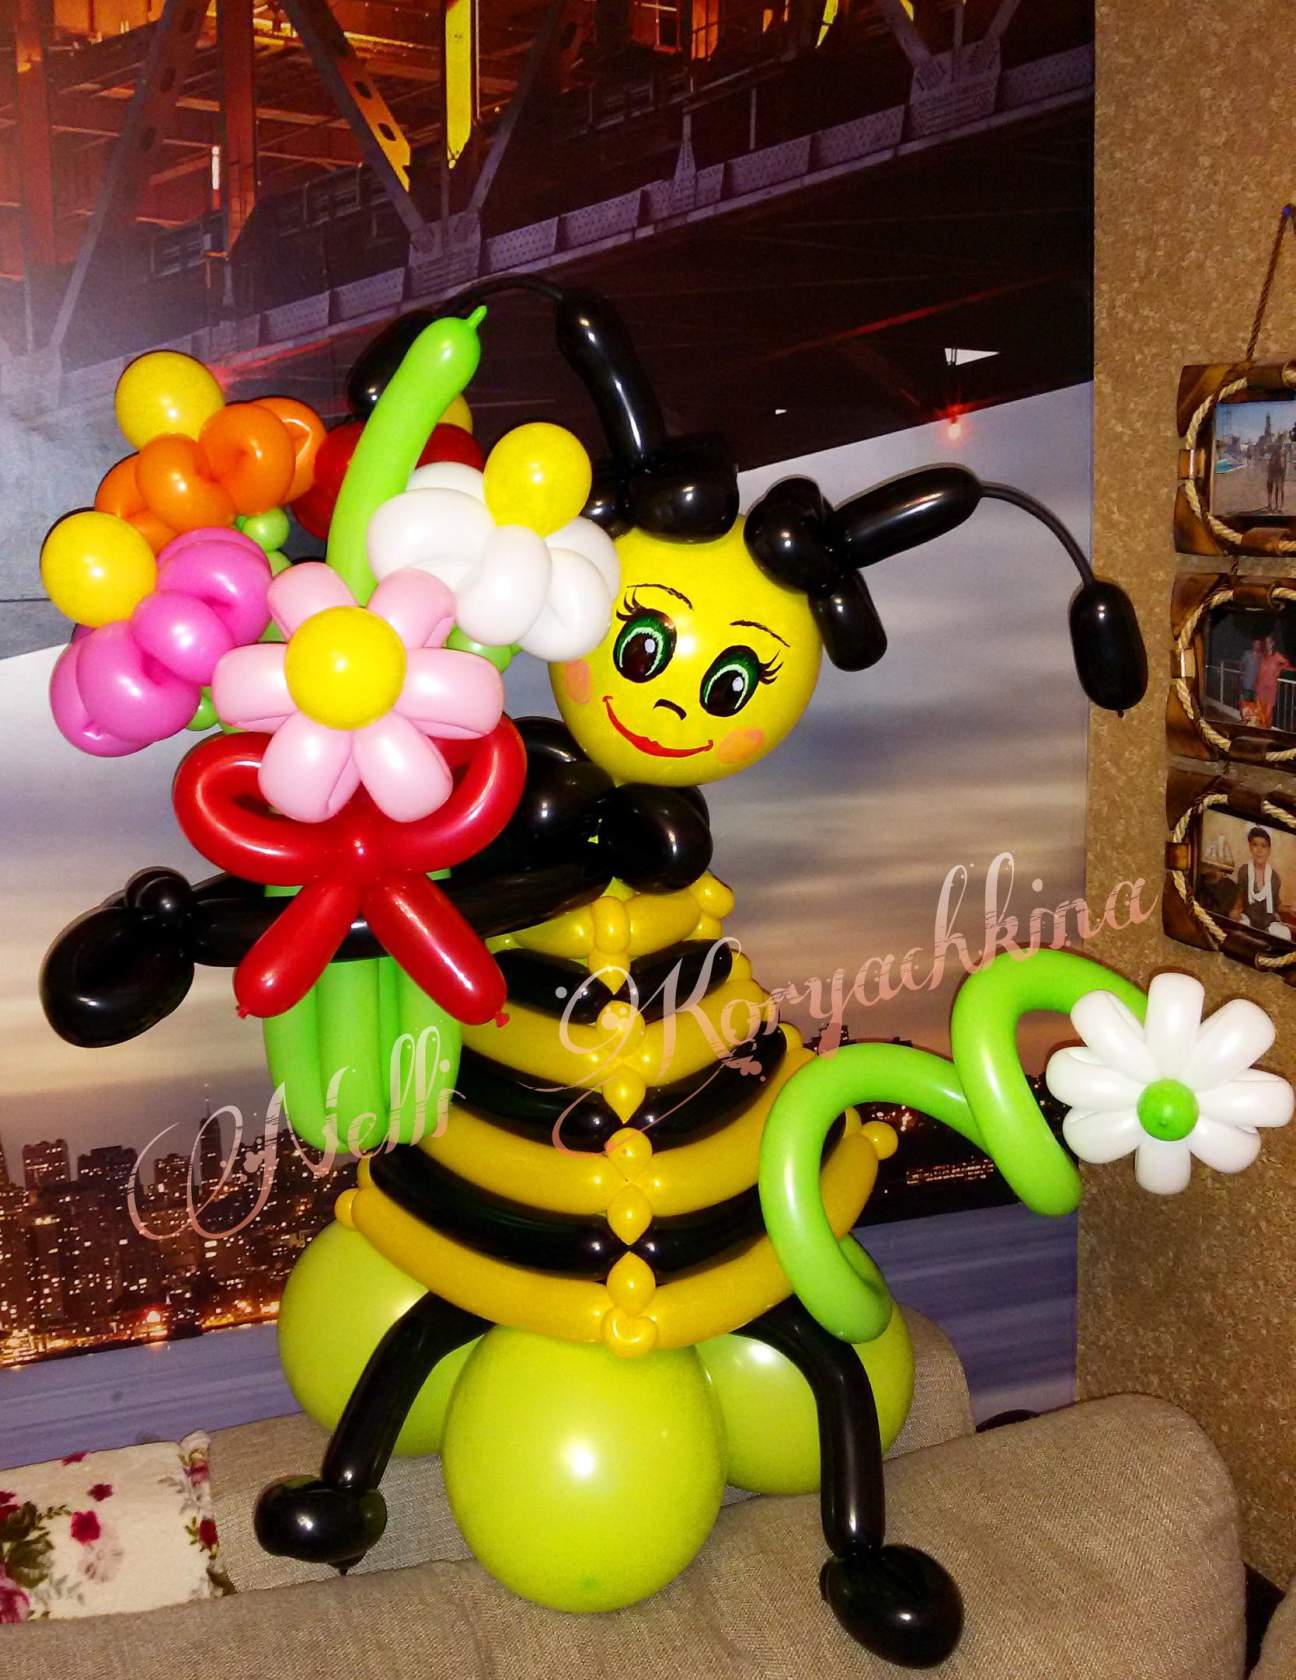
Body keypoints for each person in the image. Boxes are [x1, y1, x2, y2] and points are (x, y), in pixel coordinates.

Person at [1234, 826, 1292, 940]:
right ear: (1250, 847)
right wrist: (1235, 910)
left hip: (1268, 922)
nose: (1259, 850)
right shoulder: (1244, 871)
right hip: (1248, 918)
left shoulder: (1274, 877)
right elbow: (1239, 898)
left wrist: (1290, 909)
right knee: (1241, 927)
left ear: (1269, 850)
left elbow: (1277, 905)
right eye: (1255, 845)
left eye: (1263, 846)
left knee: (1284, 933)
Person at [1255, 633, 1294, 728]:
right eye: (1266, 643)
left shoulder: (1276, 656)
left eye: (1269, 642)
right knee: (1260, 715)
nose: (1267, 644)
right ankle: (1261, 731)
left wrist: (1279, 669)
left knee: (1268, 714)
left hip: (1271, 689)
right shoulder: (1262, 656)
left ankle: (1266, 732)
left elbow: (1287, 663)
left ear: (1273, 643)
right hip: (1260, 689)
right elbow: (1258, 672)